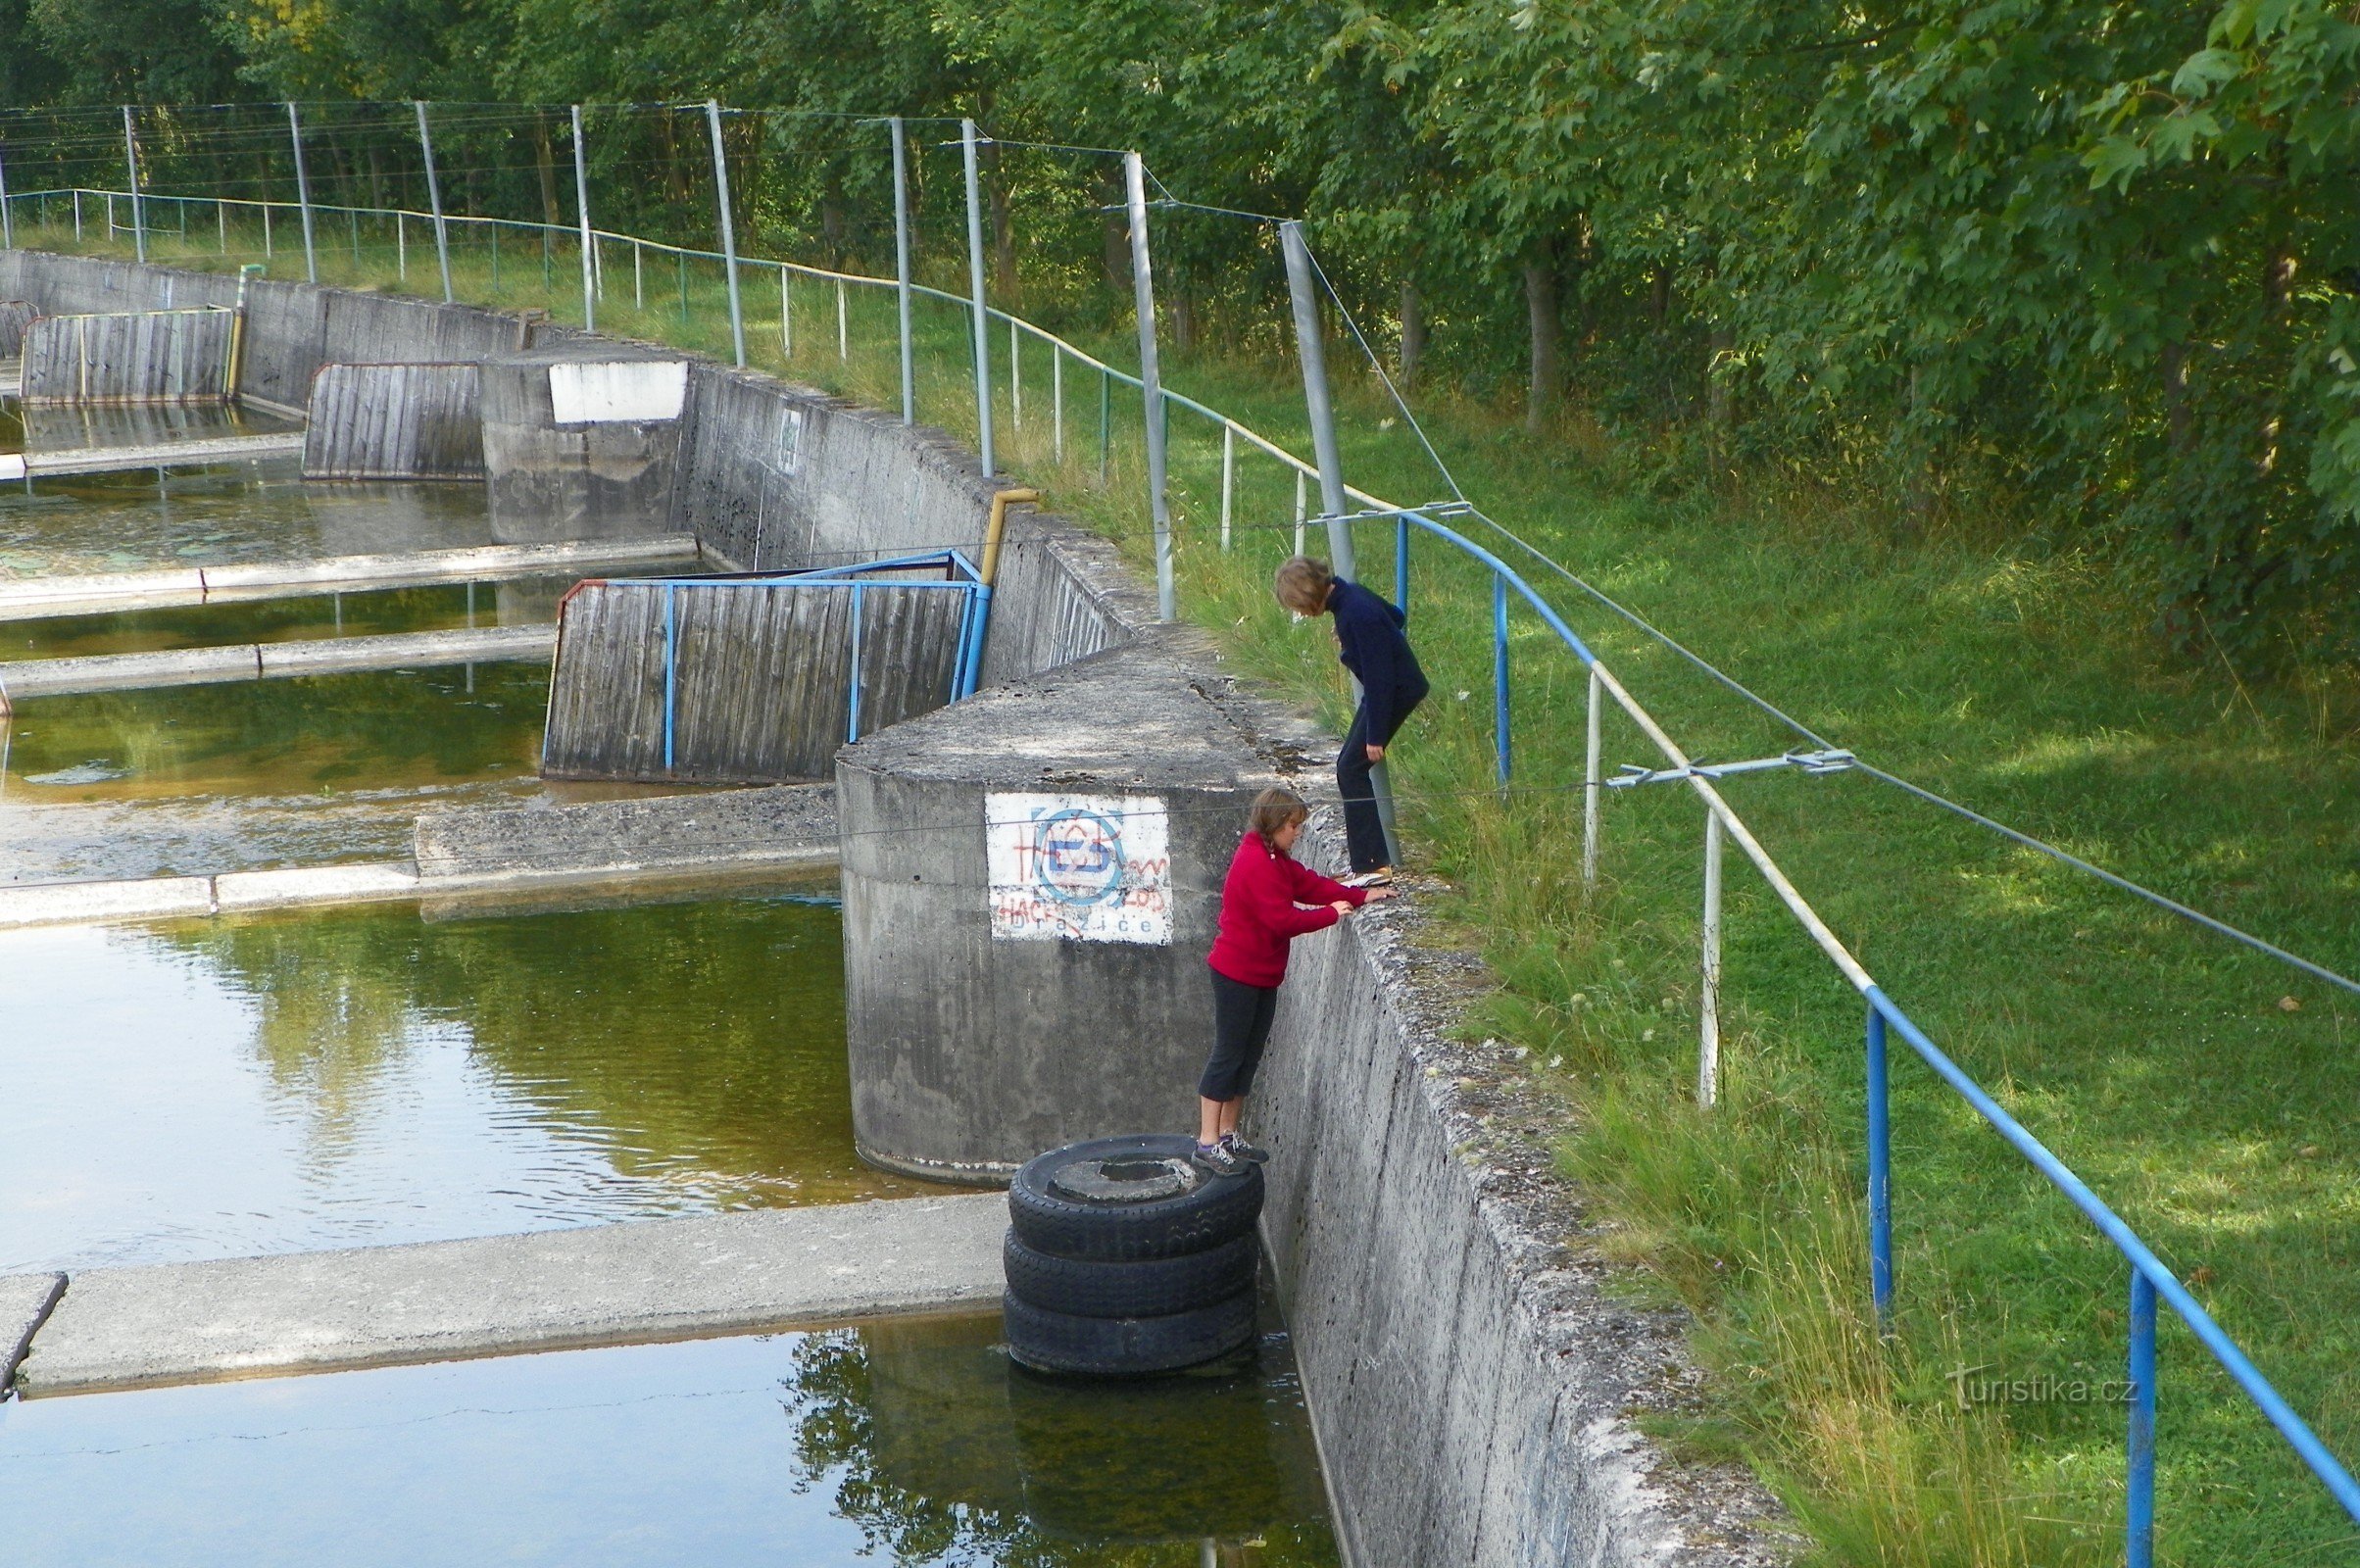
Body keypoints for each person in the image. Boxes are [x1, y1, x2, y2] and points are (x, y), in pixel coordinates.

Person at [1194, 786, 1395, 1176]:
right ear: (1275, 824)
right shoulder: (1255, 862)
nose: (1298, 832)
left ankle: (1228, 1132)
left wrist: (1357, 895)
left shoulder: (1275, 857)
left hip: (1262, 974)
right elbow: (1282, 920)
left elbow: (1309, 885)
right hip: (1236, 974)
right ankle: (1206, 1140)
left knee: (1248, 1055)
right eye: (1293, 825)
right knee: (1228, 1054)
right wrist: (1332, 915)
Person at [1274, 556, 1429, 880]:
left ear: (1309, 596)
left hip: (1395, 692)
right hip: (1390, 690)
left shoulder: (1354, 616)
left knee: (1352, 769)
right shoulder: (1352, 596)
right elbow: (1396, 617)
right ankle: (1368, 862)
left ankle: (1373, 865)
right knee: (1347, 765)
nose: (1301, 613)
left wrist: (1375, 736)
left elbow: (1379, 679)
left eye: (1298, 606)